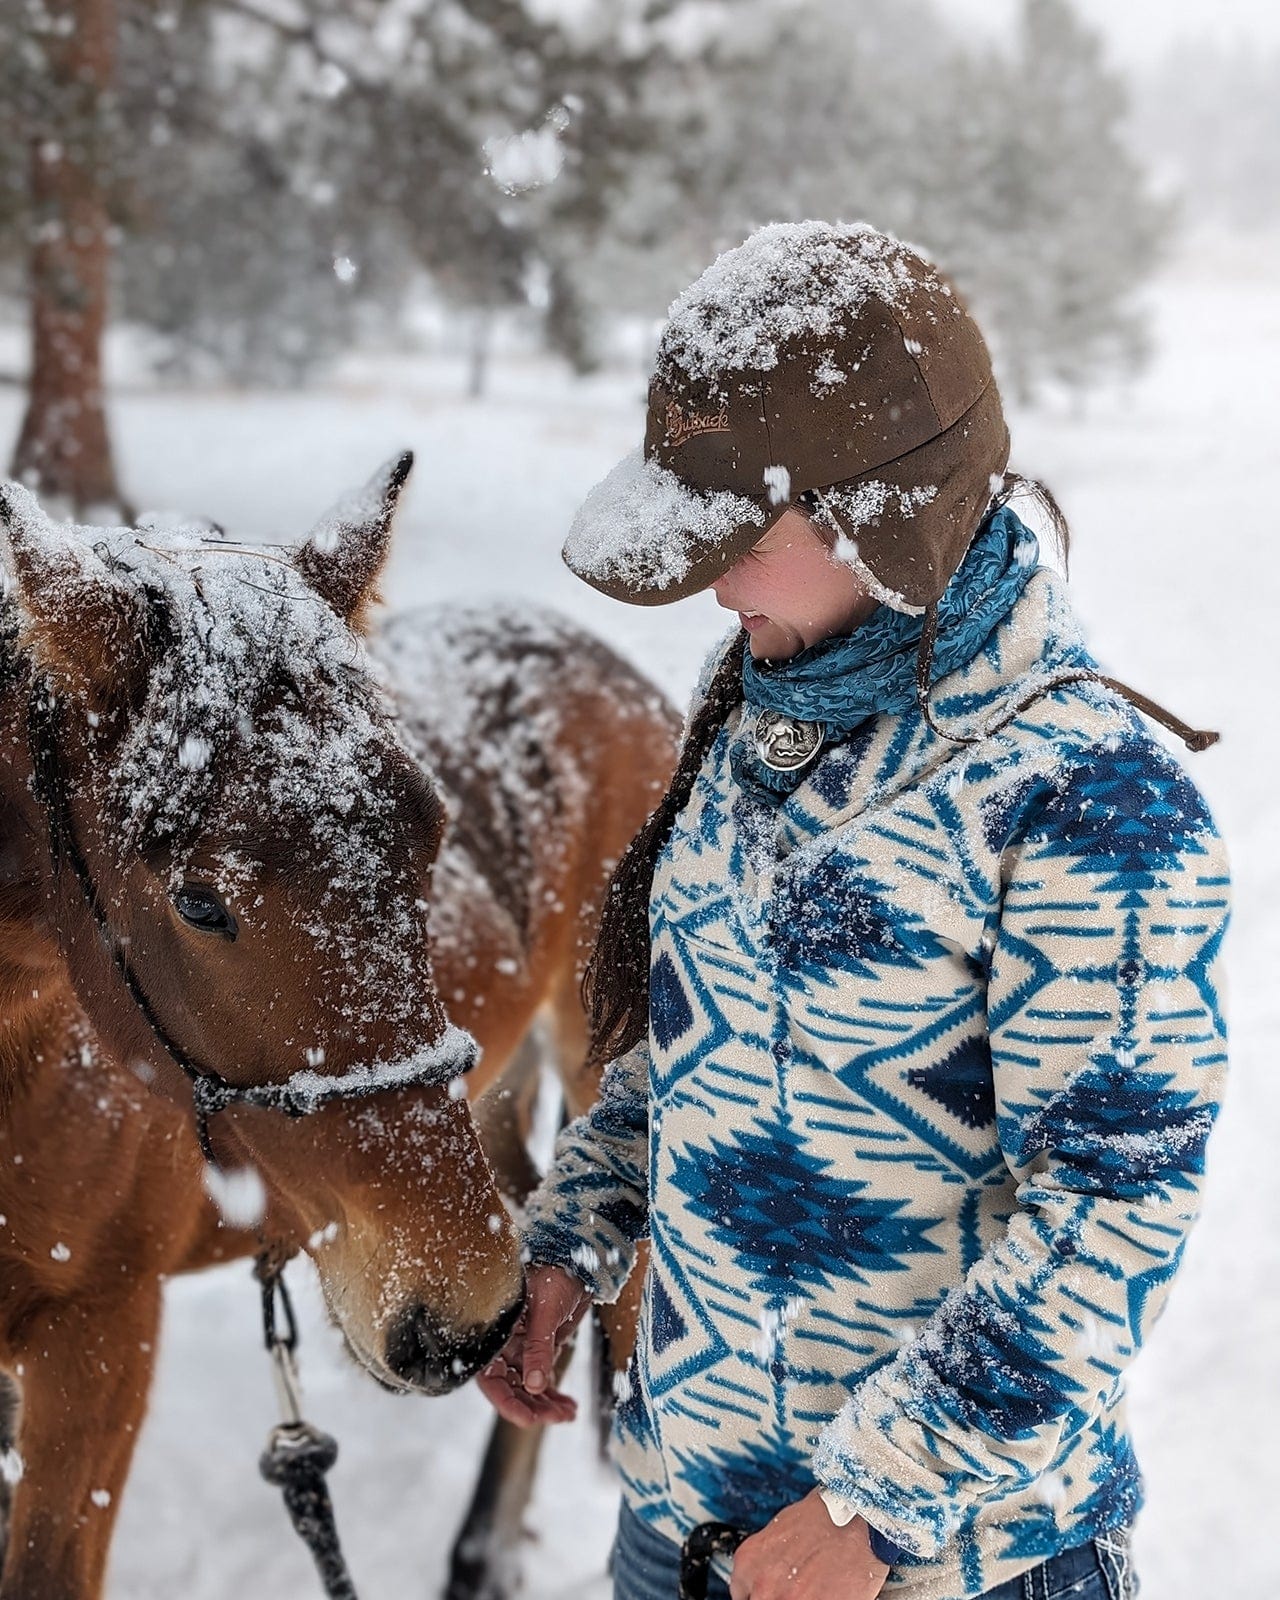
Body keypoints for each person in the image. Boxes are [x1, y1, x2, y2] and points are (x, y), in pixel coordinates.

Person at [477, 221, 1229, 1600]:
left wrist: (879, 1504)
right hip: (682, 1529)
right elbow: (695, 1047)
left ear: (883, 519)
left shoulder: (1086, 802)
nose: (713, 587)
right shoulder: (760, 716)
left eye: (738, 540)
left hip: (946, 1564)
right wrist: (577, 1234)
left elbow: (1111, 1210)